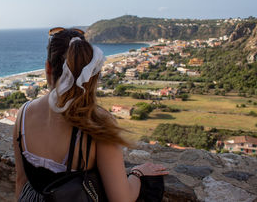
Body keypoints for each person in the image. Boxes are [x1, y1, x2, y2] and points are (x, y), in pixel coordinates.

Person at [13, 28, 168, 202]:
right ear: (93, 73)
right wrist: (137, 174)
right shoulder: (96, 122)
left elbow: (21, 180)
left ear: (48, 68)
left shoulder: (23, 113)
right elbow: (121, 199)